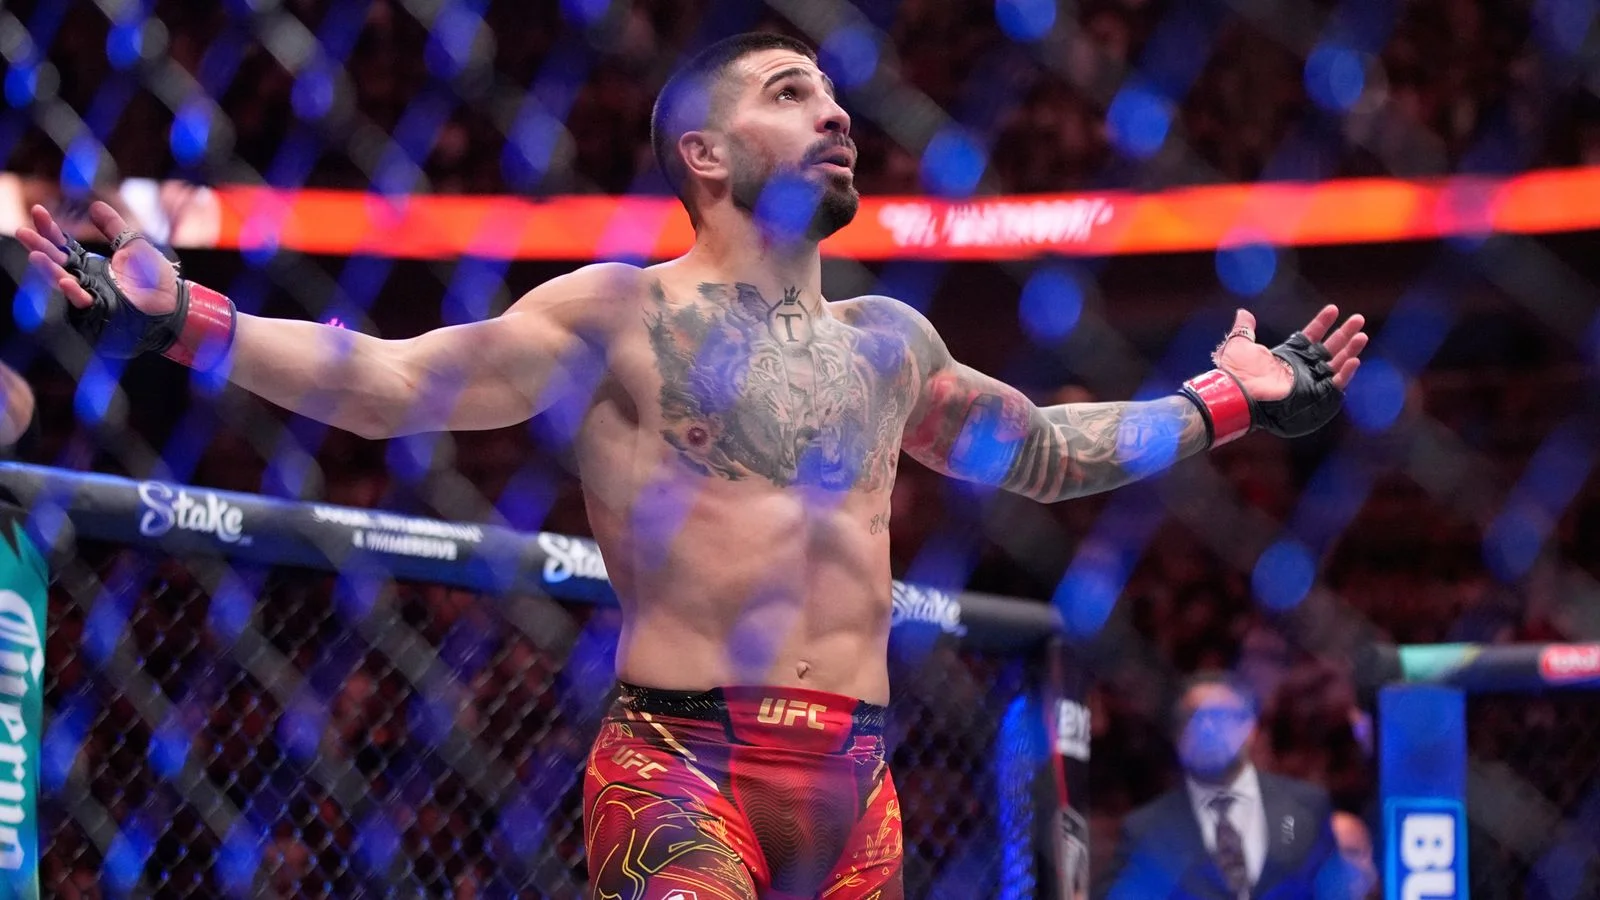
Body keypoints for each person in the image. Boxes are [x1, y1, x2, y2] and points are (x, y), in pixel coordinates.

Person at [15, 32, 1368, 900]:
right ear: (704, 153)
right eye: (791, 94)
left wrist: (1221, 405)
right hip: (684, 766)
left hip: (863, 781)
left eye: (833, 93)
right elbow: (392, 384)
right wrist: (187, 323)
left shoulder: (893, 343)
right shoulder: (617, 313)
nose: (835, 113)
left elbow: (1048, 454)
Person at [1098, 672, 1343, 900]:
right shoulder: (1145, 829)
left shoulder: (1306, 806)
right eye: (1192, 718)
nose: (1206, 729)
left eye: (1219, 716)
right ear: (1177, 734)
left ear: (1249, 727)